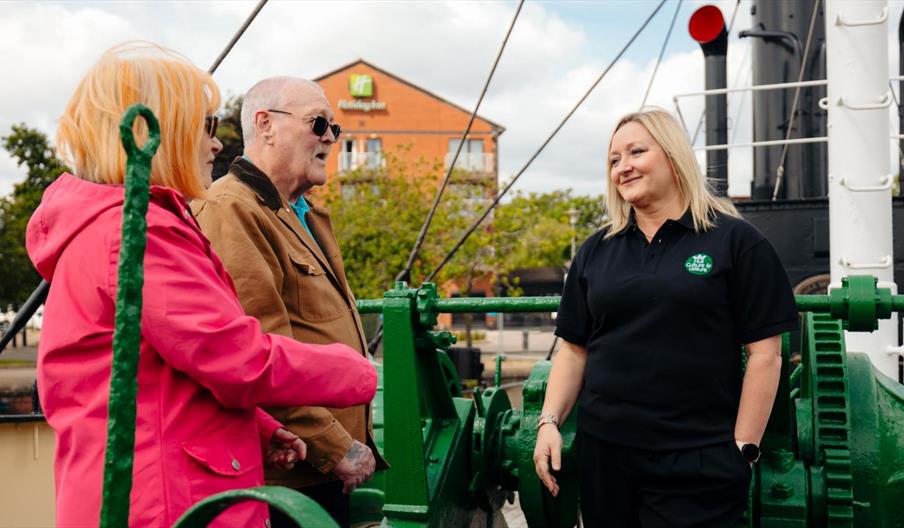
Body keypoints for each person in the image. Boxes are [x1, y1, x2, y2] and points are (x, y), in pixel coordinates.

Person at [25, 43, 377, 528]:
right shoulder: (138, 233)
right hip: (169, 501)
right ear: (153, 133)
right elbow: (235, 355)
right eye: (207, 126)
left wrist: (260, 427)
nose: (217, 145)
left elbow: (162, 371)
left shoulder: (119, 225)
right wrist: (361, 373)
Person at [533, 109, 798, 527]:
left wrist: (743, 448)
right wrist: (548, 423)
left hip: (697, 458)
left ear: (674, 157)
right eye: (614, 160)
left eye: (637, 151)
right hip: (605, 456)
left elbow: (766, 355)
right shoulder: (595, 251)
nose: (624, 166)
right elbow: (574, 350)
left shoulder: (736, 242)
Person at [192, 77, 386, 527]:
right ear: (266, 126)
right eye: (319, 123)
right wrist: (335, 446)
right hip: (290, 480)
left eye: (334, 130)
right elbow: (256, 350)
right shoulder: (231, 210)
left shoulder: (301, 213)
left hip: (318, 475)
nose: (329, 139)